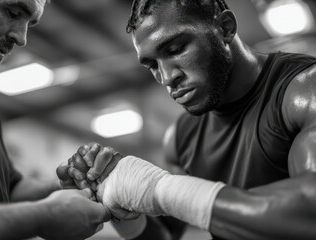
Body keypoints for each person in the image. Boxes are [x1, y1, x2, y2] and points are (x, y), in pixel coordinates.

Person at [66, 0, 316, 239]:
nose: (165, 77)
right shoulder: (181, 137)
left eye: (175, 49)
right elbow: (165, 234)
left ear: (225, 28)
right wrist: (119, 205)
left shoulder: (303, 91)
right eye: (152, 65)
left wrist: (160, 190)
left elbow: (310, 211)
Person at [0, 0, 110, 239]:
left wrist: (72, 184)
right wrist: (45, 216)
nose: (22, 38)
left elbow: (10, 189)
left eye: (30, 23)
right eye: (13, 12)